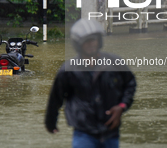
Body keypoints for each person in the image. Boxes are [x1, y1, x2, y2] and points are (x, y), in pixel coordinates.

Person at [45, 19, 136, 148]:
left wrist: (122, 106)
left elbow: (130, 84)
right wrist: (51, 123)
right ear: (78, 44)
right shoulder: (69, 70)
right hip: (84, 132)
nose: (91, 44)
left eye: (93, 39)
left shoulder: (115, 63)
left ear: (99, 40)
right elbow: (56, 98)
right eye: (86, 41)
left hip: (110, 130)